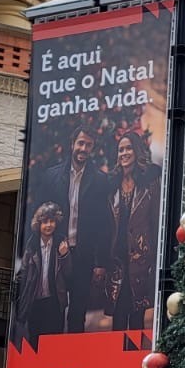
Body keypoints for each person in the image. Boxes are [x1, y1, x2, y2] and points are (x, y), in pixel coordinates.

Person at [43, 124, 113, 333]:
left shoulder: (101, 180)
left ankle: (74, 352)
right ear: (72, 144)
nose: (83, 148)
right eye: (81, 143)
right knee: (54, 309)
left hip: (84, 256)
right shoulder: (52, 176)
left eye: (88, 145)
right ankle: (54, 351)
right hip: (56, 253)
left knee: (77, 313)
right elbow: (41, 215)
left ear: (92, 148)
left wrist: (100, 263)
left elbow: (103, 225)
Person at [109, 129, 161, 331]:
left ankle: (135, 352)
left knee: (137, 316)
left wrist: (154, 257)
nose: (124, 153)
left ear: (137, 151)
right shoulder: (112, 184)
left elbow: (155, 221)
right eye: (120, 150)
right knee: (118, 317)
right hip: (117, 260)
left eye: (128, 148)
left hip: (141, 259)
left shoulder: (149, 182)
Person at [14, 202, 67, 345]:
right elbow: (23, 273)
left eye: (52, 221)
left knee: (53, 344)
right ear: (38, 224)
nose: (48, 225)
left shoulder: (61, 243)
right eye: (44, 222)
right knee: (34, 342)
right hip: (35, 302)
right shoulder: (31, 246)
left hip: (55, 302)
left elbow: (69, 275)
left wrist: (65, 256)